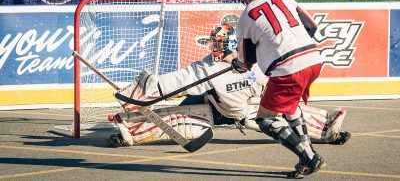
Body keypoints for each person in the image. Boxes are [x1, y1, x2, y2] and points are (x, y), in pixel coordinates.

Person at [107, 24, 350, 150]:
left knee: (284, 114)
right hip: (211, 109)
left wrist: (276, 106)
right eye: (213, 43)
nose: (213, 48)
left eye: (218, 44)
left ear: (231, 45)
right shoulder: (207, 68)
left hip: (244, 112)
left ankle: (329, 130)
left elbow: (271, 91)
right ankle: (127, 132)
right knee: (175, 118)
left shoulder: (255, 66)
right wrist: (144, 90)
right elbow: (175, 82)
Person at [231, 0, 328, 178]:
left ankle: (309, 158)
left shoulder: (246, 16)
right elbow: (310, 27)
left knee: (266, 119)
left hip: (289, 70)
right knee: (290, 107)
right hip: (314, 60)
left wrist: (238, 65)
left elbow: (247, 61)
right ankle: (308, 154)